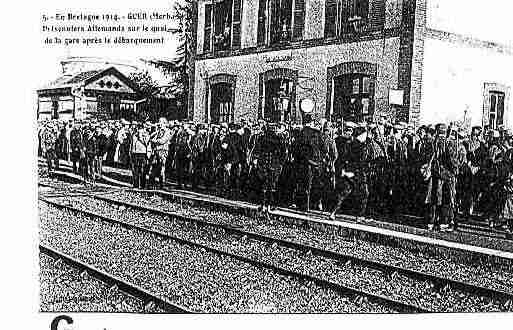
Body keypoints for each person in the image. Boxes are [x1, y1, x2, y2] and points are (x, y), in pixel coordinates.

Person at [426, 123, 459, 231]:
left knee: (434, 198)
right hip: (446, 176)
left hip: (435, 174)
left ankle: (432, 221)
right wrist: (455, 170)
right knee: (446, 199)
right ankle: (443, 223)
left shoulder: (432, 143)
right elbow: (452, 160)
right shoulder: (449, 144)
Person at [253, 122, 286, 212]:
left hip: (265, 163)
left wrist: (255, 159)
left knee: (264, 184)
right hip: (273, 164)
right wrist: (280, 163)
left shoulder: (263, 138)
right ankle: (268, 205)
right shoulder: (279, 139)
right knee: (271, 184)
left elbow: (257, 150)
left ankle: (264, 205)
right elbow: (284, 153)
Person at [151, 118, 172, 189]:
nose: (159, 124)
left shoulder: (167, 131)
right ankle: (152, 184)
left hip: (163, 151)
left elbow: (163, 141)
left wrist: (155, 140)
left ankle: (162, 184)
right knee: (154, 167)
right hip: (156, 150)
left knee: (162, 168)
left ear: (164, 124)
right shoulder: (158, 131)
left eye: (161, 122)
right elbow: (152, 138)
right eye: (159, 122)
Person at [130, 123, 150, 189]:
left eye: (140, 128)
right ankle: (135, 184)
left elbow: (147, 143)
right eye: (138, 128)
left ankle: (142, 185)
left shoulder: (146, 134)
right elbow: (132, 144)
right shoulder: (134, 134)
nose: (139, 130)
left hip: (142, 153)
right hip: (134, 153)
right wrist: (130, 152)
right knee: (135, 170)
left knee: (142, 170)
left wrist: (141, 136)